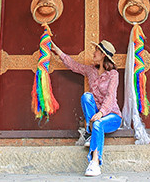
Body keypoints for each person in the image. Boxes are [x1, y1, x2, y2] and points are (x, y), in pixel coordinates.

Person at [51, 40, 121, 177]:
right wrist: (58, 51)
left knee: (99, 123)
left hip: (112, 115)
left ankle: (95, 162)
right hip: (96, 115)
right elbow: (74, 66)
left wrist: (101, 113)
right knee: (86, 96)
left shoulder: (113, 75)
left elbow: (111, 97)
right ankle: (89, 133)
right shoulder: (91, 71)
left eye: (96, 51)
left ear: (103, 55)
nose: (94, 53)